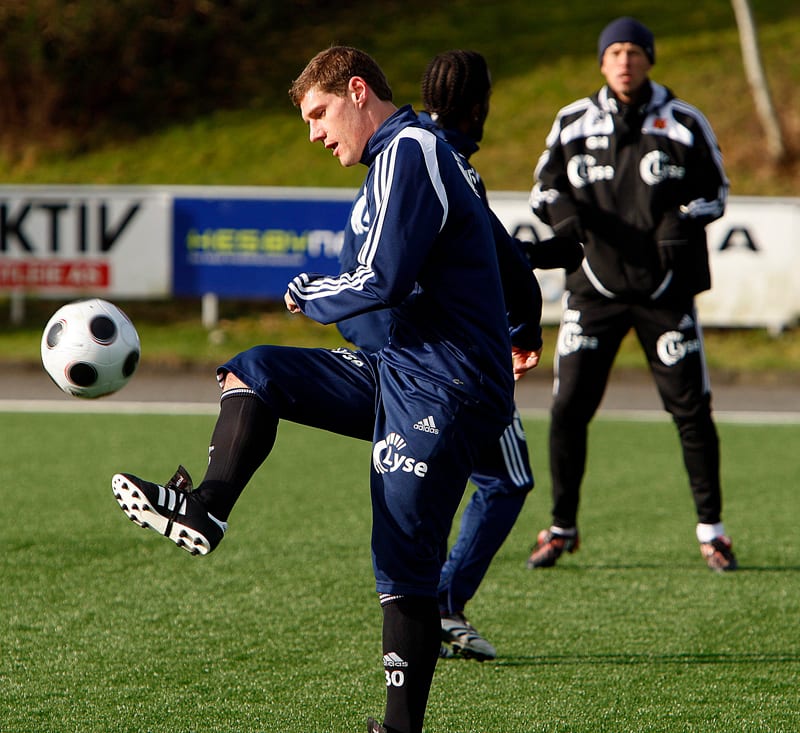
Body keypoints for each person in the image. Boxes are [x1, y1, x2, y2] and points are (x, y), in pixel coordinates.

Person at [111, 46, 537, 733]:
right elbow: (508, 261)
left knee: (402, 559)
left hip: (446, 385)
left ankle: (399, 729)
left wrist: (311, 293)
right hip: (403, 369)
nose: (313, 133)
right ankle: (207, 508)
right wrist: (526, 326)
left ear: (357, 90)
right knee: (255, 370)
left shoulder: (411, 151)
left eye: (318, 113)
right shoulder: (416, 158)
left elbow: (382, 280)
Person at [338, 49, 582, 662]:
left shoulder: (400, 149)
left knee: (427, 486)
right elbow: (492, 263)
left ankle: (421, 608)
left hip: (382, 340)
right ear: (479, 108)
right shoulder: (443, 158)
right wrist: (525, 326)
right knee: (506, 479)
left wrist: (537, 257)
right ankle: (438, 607)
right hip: (433, 356)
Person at [527, 17, 737, 572]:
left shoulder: (685, 121)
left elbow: (717, 192)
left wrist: (680, 219)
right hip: (592, 290)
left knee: (692, 411)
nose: (624, 61)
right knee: (568, 409)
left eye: (634, 52)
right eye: (615, 52)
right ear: (602, 62)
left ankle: (713, 532)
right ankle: (561, 527)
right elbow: (541, 190)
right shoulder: (571, 121)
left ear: (650, 59)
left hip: (664, 291)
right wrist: (562, 212)